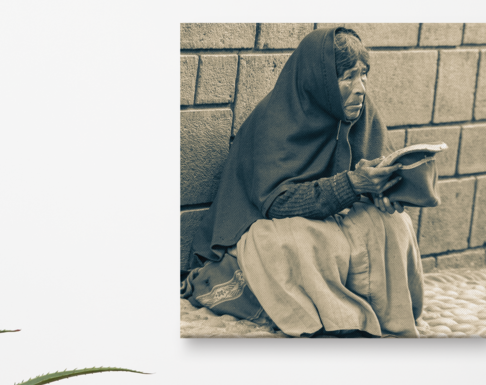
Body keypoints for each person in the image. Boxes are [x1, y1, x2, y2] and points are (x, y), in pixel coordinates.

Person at [182, 27, 425, 337]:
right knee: (286, 241)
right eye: (347, 77)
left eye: (364, 75)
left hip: (333, 216)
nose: (360, 87)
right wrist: (354, 185)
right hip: (268, 221)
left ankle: (386, 314)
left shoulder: (363, 113)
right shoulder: (274, 119)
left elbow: (372, 168)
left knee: (393, 224)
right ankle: (337, 318)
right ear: (320, 83)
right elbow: (277, 203)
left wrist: (385, 191)